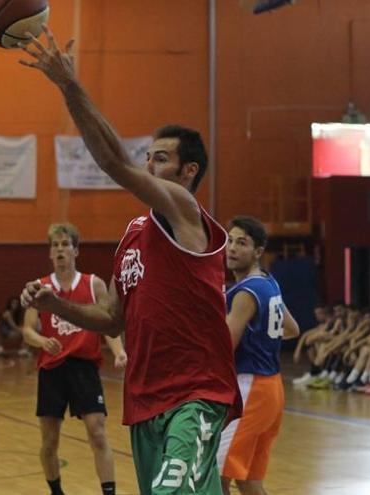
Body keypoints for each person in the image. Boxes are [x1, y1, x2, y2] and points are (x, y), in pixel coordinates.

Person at [18, 25, 240, 495]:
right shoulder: (134, 236)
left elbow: (113, 162)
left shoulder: (184, 210)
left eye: (160, 159)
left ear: (187, 171)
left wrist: (69, 85)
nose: (148, 166)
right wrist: (55, 306)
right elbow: (112, 319)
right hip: (144, 401)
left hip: (195, 394)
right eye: (149, 157)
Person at [21, 222, 127, 495]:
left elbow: (109, 323)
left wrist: (119, 352)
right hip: (52, 369)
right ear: (49, 253)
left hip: (84, 366)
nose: (60, 250)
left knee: (98, 431)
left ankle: (109, 492)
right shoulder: (40, 287)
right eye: (55, 245)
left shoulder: (93, 284)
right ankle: (56, 491)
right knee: (49, 441)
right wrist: (43, 340)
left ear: (75, 250)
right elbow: (27, 330)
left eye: (65, 244)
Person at [216, 216, 299, 495]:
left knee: (215, 475)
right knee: (249, 481)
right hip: (272, 388)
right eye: (229, 240)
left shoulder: (244, 293)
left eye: (242, 243)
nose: (232, 248)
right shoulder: (268, 282)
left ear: (258, 252)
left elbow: (225, 345)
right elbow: (292, 328)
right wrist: (263, 338)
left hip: (250, 387)